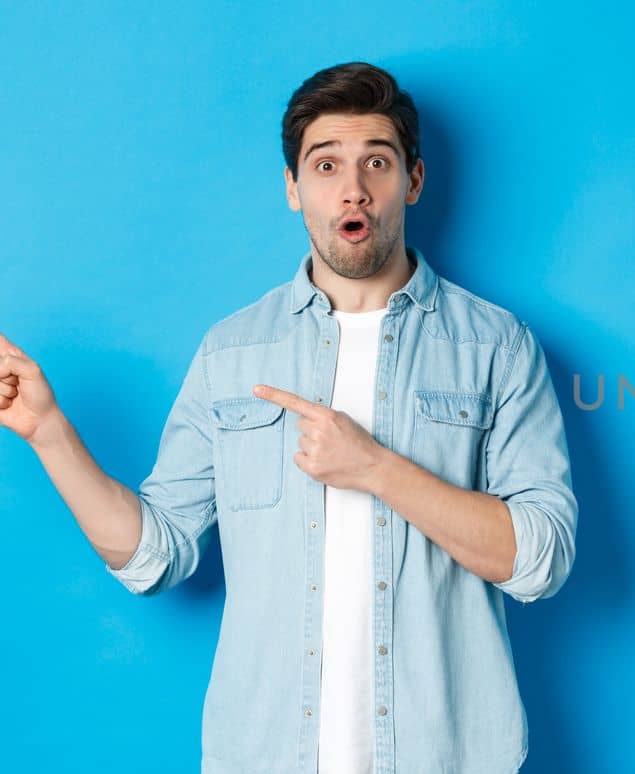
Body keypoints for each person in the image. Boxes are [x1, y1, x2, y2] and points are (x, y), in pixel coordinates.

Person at [0, 62, 578, 774]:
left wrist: (376, 468)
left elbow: (540, 558)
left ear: (414, 181)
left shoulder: (495, 345)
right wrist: (47, 430)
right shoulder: (234, 351)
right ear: (293, 188)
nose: (353, 186)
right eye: (326, 163)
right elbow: (154, 554)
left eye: (377, 161)